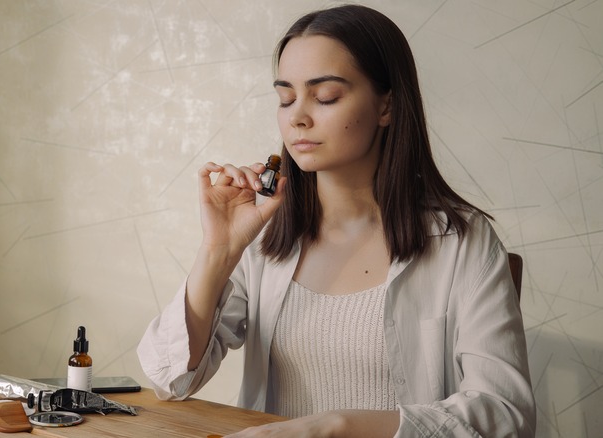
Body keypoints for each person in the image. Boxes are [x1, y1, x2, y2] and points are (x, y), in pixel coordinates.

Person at [137, 4, 535, 437]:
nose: (297, 116)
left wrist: (333, 426)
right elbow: (170, 378)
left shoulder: (463, 242)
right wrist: (219, 250)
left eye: (325, 96)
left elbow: (506, 415)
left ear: (387, 106)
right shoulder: (268, 237)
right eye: (285, 97)